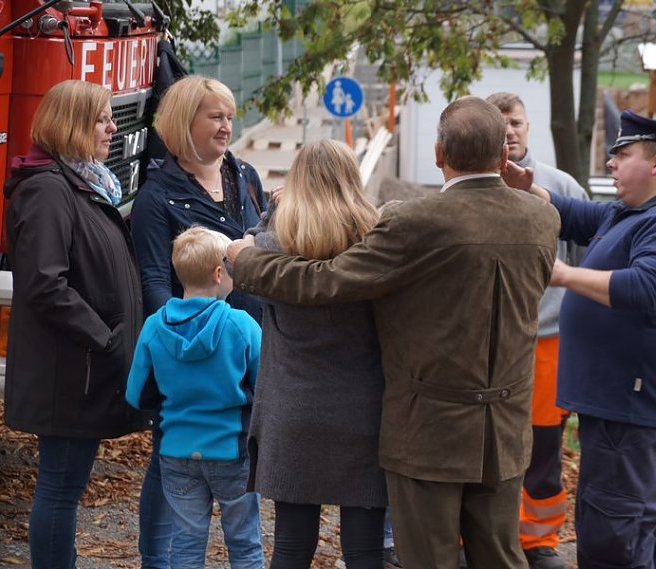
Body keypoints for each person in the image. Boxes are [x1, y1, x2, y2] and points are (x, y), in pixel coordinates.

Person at [226, 96, 560, 569]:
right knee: (499, 557)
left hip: (426, 430)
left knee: (428, 558)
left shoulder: (414, 222)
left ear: (438, 155)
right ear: (504, 156)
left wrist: (247, 259)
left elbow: (324, 281)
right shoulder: (542, 219)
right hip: (504, 428)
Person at [503, 110, 656, 569]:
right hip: (619, 409)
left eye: (622, 154)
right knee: (642, 531)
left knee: (616, 537)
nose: (611, 163)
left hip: (630, 414)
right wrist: (527, 187)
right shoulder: (631, 213)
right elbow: (574, 215)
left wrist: (563, 274)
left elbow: (646, 287)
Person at [1, 79, 149, 568]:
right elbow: (45, 285)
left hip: (79, 369)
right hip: (69, 375)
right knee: (60, 492)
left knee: (64, 490)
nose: (112, 127)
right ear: (73, 125)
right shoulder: (49, 190)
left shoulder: (82, 183)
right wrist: (104, 338)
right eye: (102, 119)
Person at [131, 75, 268, 566]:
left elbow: (267, 244)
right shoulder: (155, 197)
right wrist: (171, 344)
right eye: (215, 116)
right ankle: (156, 559)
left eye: (230, 116)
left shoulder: (245, 175)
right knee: (168, 465)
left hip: (244, 348)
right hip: (188, 357)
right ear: (183, 121)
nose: (227, 125)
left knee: (238, 474)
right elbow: (153, 280)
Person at [246, 139, 387, 569]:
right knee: (364, 551)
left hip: (294, 410)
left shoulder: (271, 245)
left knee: (291, 547)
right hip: (363, 411)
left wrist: (274, 210)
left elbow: (245, 247)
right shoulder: (374, 246)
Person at [486, 91, 588, 569]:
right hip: (489, 337)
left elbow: (590, 254)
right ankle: (479, 537)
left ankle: (538, 540)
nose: (510, 130)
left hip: (550, 337)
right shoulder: (474, 184)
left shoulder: (561, 185)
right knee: (485, 441)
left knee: (544, 443)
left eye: (517, 122)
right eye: (501, 122)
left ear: (529, 127)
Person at [125, 226, 264, 568]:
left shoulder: (155, 326)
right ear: (219, 274)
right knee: (245, 545)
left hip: (177, 452)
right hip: (232, 451)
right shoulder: (242, 325)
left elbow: (136, 393)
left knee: (185, 548)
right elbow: (265, 388)